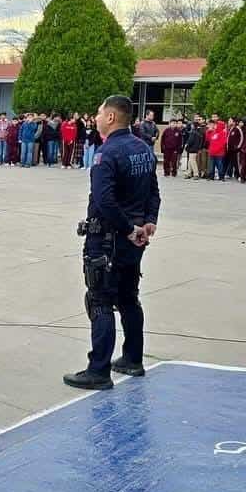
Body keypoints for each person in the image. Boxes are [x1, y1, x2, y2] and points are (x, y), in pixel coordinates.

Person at [64, 95, 160, 391]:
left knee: (100, 299)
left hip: (108, 239)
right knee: (129, 297)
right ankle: (132, 358)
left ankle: (99, 369)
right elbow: (153, 191)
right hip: (134, 240)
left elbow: (104, 200)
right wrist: (148, 222)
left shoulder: (107, 154)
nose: (95, 116)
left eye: (98, 112)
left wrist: (129, 228)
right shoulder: (143, 148)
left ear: (110, 118)